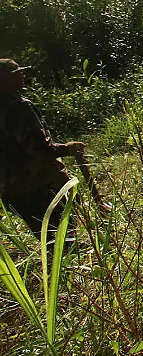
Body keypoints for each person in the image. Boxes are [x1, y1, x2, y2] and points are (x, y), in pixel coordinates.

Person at [0, 59, 88, 235]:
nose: (22, 76)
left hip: (9, 191)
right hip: (37, 186)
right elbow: (39, 149)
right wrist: (68, 149)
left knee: (46, 239)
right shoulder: (19, 108)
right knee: (63, 239)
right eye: (16, 74)